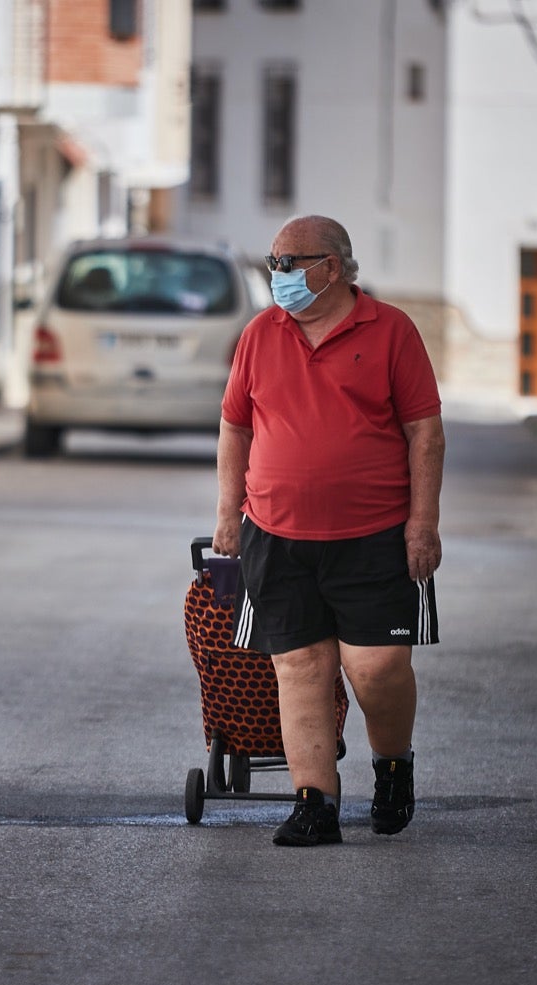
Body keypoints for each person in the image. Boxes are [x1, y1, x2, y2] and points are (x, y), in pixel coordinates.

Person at [212, 214, 445, 847]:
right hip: (276, 535)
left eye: (290, 262)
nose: (277, 274)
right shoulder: (260, 335)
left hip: (374, 535)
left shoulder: (392, 331)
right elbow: (235, 428)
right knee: (300, 667)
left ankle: (393, 766)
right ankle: (315, 803)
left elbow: (424, 430)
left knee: (375, 667)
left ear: (332, 268)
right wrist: (227, 516)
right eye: (274, 263)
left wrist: (423, 523)